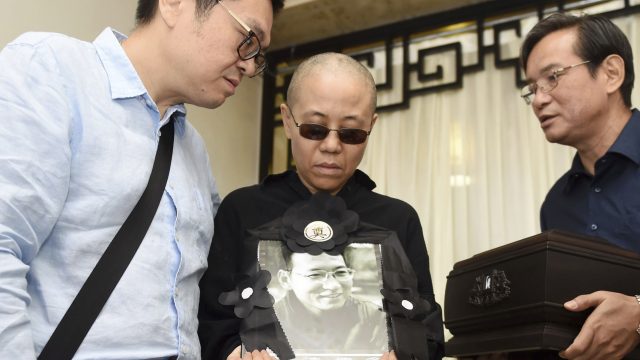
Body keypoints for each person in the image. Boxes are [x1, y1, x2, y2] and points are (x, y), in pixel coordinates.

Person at [0, 0, 283, 358]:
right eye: (248, 38)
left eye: (259, 55)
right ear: (174, 4)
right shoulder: (51, 71)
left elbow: (204, 292)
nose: (249, 64)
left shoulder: (193, 148)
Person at [198, 52, 445, 360]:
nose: (331, 145)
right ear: (288, 121)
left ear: (371, 128)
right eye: (315, 129)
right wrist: (236, 355)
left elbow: (429, 330)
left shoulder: (398, 219)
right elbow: (209, 322)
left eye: (351, 133)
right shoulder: (242, 209)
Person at [520, 12, 640, 360]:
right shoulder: (556, 203)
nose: (539, 100)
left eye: (552, 77)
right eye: (531, 89)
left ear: (611, 73)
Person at [274, 250, 387, 354]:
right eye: (315, 275)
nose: (333, 285)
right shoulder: (270, 321)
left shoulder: (374, 317)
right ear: (285, 279)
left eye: (341, 272)